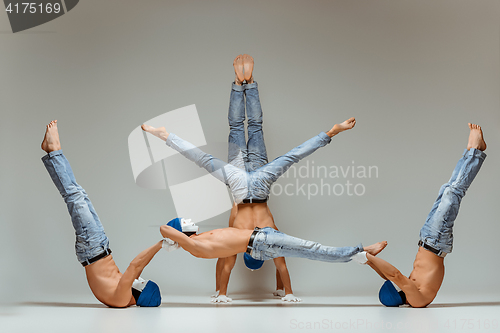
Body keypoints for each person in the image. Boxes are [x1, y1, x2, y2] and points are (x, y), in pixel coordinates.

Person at [141, 54, 356, 302]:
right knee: (219, 146)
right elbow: (236, 264)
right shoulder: (240, 235)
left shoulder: (262, 233)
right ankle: (230, 91)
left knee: (266, 137)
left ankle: (249, 84)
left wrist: (286, 292)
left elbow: (273, 264)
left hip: (257, 184)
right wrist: (224, 293)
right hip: (241, 185)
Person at [41, 120, 163, 308]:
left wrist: (160, 244)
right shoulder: (124, 295)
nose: (139, 279)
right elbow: (137, 270)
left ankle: (54, 150)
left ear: (142, 293)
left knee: (74, 196)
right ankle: (51, 152)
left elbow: (135, 266)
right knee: (79, 194)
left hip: (93, 248)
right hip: (98, 248)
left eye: (142, 283)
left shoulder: (122, 298)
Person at [365, 123, 487, 308]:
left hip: (428, 238)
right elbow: (394, 275)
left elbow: (387, 275)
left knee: (446, 190)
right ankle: (475, 151)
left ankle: (472, 151)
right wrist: (365, 255)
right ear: (398, 294)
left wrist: (367, 261)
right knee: (452, 193)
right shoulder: (417, 300)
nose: (398, 285)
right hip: (436, 242)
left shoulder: (411, 291)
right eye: (396, 288)